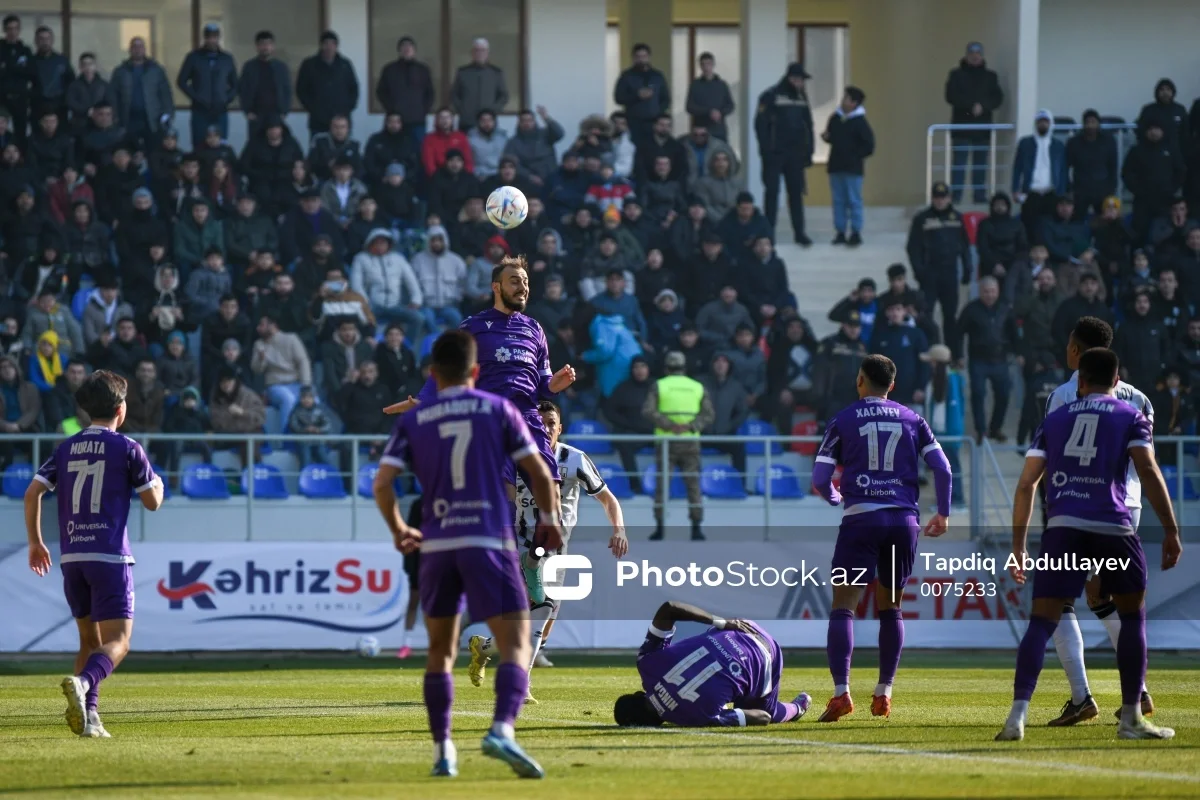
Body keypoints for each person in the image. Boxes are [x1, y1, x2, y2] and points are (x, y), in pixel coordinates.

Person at [372, 329, 562, 779]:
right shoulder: (498, 409)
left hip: (437, 544)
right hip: (487, 540)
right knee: (516, 641)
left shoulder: (414, 421)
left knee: (440, 651)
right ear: (477, 372)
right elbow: (537, 468)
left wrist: (400, 529)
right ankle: (501, 729)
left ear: (433, 375)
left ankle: (443, 751)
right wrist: (549, 518)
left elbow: (382, 483)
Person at [996, 347, 1179, 742]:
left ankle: (1016, 717)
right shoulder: (1132, 415)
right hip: (1114, 526)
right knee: (1132, 617)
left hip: (1064, 526)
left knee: (1042, 620)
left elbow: (1027, 482)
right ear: (1117, 380)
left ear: (1079, 380)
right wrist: (1171, 529)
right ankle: (1132, 715)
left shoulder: (1056, 417)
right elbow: (1147, 469)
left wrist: (1018, 546)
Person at [811, 354, 952, 722]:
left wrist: (835, 497)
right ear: (893, 384)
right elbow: (943, 468)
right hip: (903, 521)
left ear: (860, 380)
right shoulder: (913, 419)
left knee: (844, 606)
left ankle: (842, 692)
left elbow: (820, 478)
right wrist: (944, 512)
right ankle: (883, 691)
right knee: (891, 607)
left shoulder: (843, 419)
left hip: (861, 521)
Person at [25, 370, 164, 739]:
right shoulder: (128, 447)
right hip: (110, 557)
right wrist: (160, 486)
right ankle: (85, 683)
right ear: (121, 409)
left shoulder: (66, 447)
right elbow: (152, 502)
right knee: (119, 641)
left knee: (89, 641)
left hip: (73, 558)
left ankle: (90, 718)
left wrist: (36, 543)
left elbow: (32, 493)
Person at [1037, 316, 1158, 727]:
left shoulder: (1063, 395)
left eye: (1069, 344)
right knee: (1104, 598)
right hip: (1128, 507)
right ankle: (1137, 690)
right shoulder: (1139, 399)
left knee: (1059, 601)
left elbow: (1054, 457)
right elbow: (1144, 459)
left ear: (1076, 352)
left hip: (1080, 506)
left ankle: (1081, 697)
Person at [469, 399, 629, 698]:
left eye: (551, 424)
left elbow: (608, 499)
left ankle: (484, 646)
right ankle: (520, 685)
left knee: (538, 625)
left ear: (560, 428)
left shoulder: (574, 459)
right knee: (540, 611)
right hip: (519, 545)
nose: (545, 428)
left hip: (557, 548)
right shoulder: (514, 459)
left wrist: (618, 528)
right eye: (539, 423)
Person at [613, 600, 811, 728]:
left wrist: (719, 714)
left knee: (768, 711)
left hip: (766, 654)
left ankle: (798, 707)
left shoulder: (697, 718)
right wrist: (721, 622)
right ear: (639, 694)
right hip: (740, 627)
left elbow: (762, 717)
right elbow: (670, 607)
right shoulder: (646, 662)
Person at [642, 350, 713, 540]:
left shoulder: (659, 385)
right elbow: (708, 414)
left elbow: (648, 410)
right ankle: (696, 529)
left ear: (666, 368)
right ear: (684, 368)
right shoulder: (697, 386)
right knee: (693, 485)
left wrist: (669, 426)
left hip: (666, 442)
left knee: (662, 486)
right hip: (690, 441)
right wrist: (690, 426)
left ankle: (660, 529)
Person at [906, 181, 970, 353]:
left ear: (949, 198)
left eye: (943, 198)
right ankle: (929, 349)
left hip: (950, 274)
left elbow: (964, 246)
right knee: (926, 315)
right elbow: (913, 247)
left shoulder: (957, 218)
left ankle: (952, 353)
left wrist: (968, 269)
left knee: (950, 316)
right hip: (930, 274)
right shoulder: (922, 218)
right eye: (937, 198)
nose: (940, 201)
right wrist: (919, 271)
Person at [755, 64, 814, 245]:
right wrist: (766, 151)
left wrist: (809, 151)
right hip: (775, 154)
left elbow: (808, 126)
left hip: (795, 154)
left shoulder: (801, 97)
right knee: (772, 193)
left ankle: (799, 232)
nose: (802, 83)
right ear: (791, 78)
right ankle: (768, 233)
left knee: (795, 194)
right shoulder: (770, 95)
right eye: (800, 79)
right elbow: (760, 125)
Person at [957, 276, 1017, 442]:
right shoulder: (971, 309)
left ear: (997, 291)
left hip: (1001, 359)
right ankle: (981, 430)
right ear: (980, 292)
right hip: (978, 360)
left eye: (992, 291)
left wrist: (1017, 353)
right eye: (986, 291)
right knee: (978, 394)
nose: (989, 295)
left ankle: (995, 428)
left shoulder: (1005, 308)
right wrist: (959, 356)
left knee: (1003, 395)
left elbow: (1013, 333)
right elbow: (959, 333)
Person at [944, 41, 1003, 204]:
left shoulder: (991, 76)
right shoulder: (956, 75)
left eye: (978, 53)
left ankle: (979, 197)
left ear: (982, 55)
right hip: (961, 128)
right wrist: (971, 107)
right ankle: (955, 198)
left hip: (982, 129)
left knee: (980, 165)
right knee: (959, 165)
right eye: (972, 53)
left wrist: (983, 107)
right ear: (967, 55)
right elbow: (951, 96)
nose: (975, 56)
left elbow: (997, 98)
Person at [823, 86, 874, 245]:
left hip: (852, 169)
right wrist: (827, 138)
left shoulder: (860, 122)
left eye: (847, 98)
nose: (843, 101)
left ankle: (856, 231)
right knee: (838, 201)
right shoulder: (835, 118)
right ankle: (840, 231)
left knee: (854, 200)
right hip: (836, 166)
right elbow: (832, 136)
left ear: (854, 103)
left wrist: (854, 155)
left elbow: (869, 145)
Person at [108, 38, 173, 153]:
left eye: (140, 47)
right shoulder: (120, 71)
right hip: (128, 119)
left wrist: (167, 115)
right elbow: (113, 96)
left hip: (152, 120)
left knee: (154, 156)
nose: (137, 50)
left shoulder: (156, 70)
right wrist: (114, 117)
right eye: (134, 47)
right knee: (130, 154)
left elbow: (166, 95)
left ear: (144, 49)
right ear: (130, 50)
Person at [176, 23, 237, 145]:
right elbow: (181, 81)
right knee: (199, 146)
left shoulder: (227, 59)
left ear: (219, 38)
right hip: (200, 110)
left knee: (220, 147)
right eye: (209, 37)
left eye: (215, 37)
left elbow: (236, 84)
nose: (212, 40)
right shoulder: (193, 57)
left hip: (221, 110)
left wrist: (226, 99)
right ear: (205, 38)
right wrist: (196, 98)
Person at [1012, 110, 1067, 241]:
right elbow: (1017, 168)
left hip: (1051, 193)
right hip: (1031, 193)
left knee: (1051, 228)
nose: (1043, 125)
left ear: (1050, 124)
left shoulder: (1058, 145)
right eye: (1040, 122)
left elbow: (1063, 170)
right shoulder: (1025, 143)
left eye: (1045, 122)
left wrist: (1062, 193)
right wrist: (1015, 189)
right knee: (1029, 228)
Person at [251, 313, 312, 428]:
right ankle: (287, 439)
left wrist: (306, 385)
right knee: (288, 400)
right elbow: (256, 370)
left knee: (314, 400)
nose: (258, 328)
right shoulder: (258, 344)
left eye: (262, 325)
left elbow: (303, 362)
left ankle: (315, 441)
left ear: (272, 325)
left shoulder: (291, 338)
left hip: (296, 383)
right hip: (275, 386)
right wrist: (261, 359)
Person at [296, 30, 359, 141]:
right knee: (317, 154)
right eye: (326, 44)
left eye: (332, 44)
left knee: (343, 155)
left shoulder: (345, 65)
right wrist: (313, 108)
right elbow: (301, 90)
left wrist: (346, 109)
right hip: (318, 121)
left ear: (336, 46)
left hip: (342, 121)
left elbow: (354, 89)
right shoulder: (309, 65)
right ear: (321, 45)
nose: (329, 47)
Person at [375, 37, 434, 145]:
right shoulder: (389, 69)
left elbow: (430, 93)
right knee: (393, 149)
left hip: (417, 120)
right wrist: (391, 109)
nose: (407, 49)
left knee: (418, 152)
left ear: (414, 50)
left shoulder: (423, 70)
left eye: (410, 46)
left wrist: (423, 110)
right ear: (399, 50)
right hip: (395, 121)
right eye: (404, 46)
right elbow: (381, 92)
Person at [613, 43, 669, 149]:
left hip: (654, 122)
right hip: (633, 122)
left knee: (653, 151)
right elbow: (618, 97)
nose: (641, 60)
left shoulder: (657, 76)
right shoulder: (627, 76)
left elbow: (666, 99)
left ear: (649, 57)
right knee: (635, 151)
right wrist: (637, 95)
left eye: (644, 56)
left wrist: (659, 114)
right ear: (633, 58)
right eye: (638, 57)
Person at [237, 31, 291, 137]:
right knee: (254, 147)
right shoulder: (249, 67)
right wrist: (247, 111)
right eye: (262, 44)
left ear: (273, 46)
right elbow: (242, 90)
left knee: (275, 144)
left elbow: (287, 90)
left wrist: (284, 112)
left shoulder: (281, 67)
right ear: (257, 46)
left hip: (275, 114)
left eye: (268, 44)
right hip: (256, 114)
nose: (265, 47)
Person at [1066, 110, 1118, 219]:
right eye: (1087, 122)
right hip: (1080, 190)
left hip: (1102, 189)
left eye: (1093, 122)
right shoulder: (1074, 142)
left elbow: (1113, 167)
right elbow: (1065, 167)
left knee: (1104, 222)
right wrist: (1069, 188)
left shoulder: (1108, 141)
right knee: (1077, 222)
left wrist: (1112, 188)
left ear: (1098, 123)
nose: (1090, 125)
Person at [451, 38, 508, 132]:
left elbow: (504, 96)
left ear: (488, 53)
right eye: (477, 50)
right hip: (467, 122)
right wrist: (463, 109)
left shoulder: (496, 73)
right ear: (472, 53)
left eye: (483, 50)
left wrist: (492, 111)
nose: (480, 53)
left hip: (488, 123)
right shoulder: (463, 72)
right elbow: (454, 94)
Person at [502, 106, 564, 186]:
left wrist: (546, 118)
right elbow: (511, 163)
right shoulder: (513, 142)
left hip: (552, 177)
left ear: (534, 121)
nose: (527, 123)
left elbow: (560, 134)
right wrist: (529, 176)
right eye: (523, 121)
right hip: (529, 181)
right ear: (519, 123)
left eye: (529, 120)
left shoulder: (545, 134)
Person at [0, 15, 35, 147]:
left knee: (21, 133)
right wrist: (17, 68)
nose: (12, 32)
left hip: (20, 98)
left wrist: (8, 68)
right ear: (4, 30)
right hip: (1, 98)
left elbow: (31, 73)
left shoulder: (25, 50)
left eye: (15, 28)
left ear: (19, 30)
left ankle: (20, 161)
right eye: (9, 29)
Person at [685, 52, 734, 142]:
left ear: (713, 65)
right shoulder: (695, 85)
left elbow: (730, 106)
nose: (706, 67)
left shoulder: (722, 85)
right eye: (703, 64)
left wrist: (720, 113)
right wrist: (709, 111)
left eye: (708, 64)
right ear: (700, 66)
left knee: (721, 154)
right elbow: (689, 107)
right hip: (700, 130)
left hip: (719, 129)